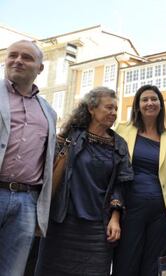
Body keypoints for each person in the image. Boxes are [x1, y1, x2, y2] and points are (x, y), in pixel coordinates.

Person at [34, 87, 133, 276]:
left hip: (97, 229)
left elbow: (122, 183)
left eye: (115, 109)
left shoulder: (119, 144)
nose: (113, 113)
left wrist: (115, 217)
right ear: (91, 109)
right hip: (62, 223)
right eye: (108, 108)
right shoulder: (69, 137)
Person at [0, 40, 56, 276]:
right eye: (13, 55)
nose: (18, 60)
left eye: (26, 57)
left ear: (40, 68)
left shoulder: (48, 111)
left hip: (26, 201)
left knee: (13, 271)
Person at [113, 85, 166, 276]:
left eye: (154, 99)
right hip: (130, 209)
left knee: (153, 267)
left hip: (162, 213)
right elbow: (114, 170)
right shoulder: (122, 130)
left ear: (161, 105)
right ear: (137, 105)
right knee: (125, 263)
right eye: (145, 99)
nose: (150, 103)